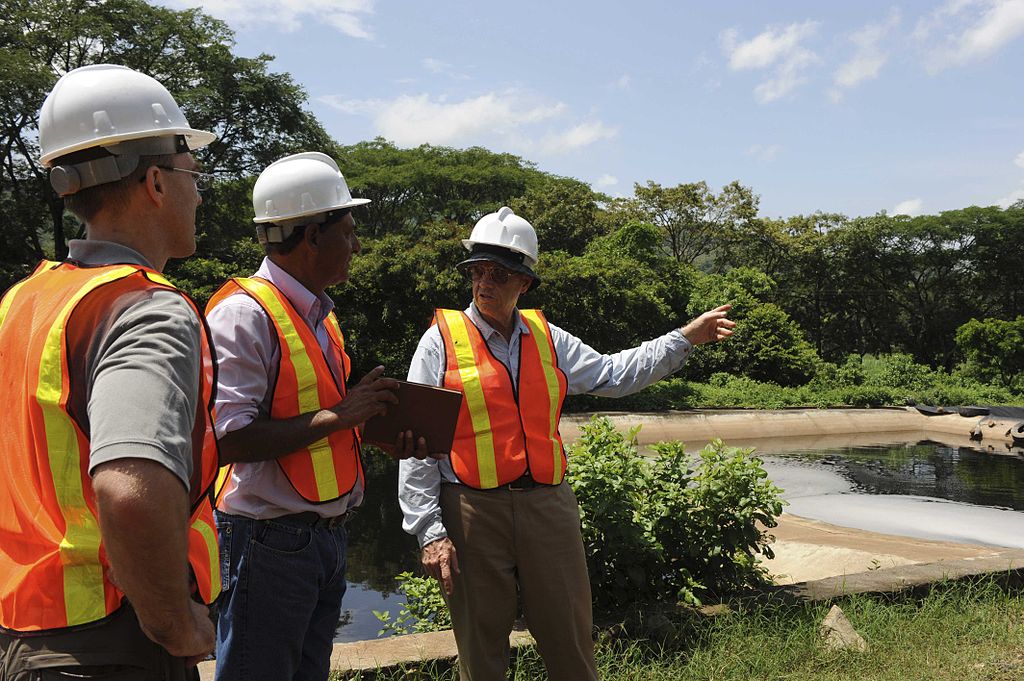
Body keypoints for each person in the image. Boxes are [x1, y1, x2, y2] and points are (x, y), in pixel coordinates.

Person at [398, 207, 735, 681]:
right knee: (481, 649)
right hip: (472, 509)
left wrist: (684, 339)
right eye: (477, 271)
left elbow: (614, 375)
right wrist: (429, 531)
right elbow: (420, 444)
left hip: (548, 507)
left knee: (571, 643)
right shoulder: (440, 341)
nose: (484, 283)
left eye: (498, 273)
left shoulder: (548, 338)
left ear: (525, 282)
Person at [0, 64, 221, 680]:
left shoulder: (24, 301)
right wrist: (174, 623)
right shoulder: (145, 310)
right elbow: (129, 491)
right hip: (111, 646)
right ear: (155, 181)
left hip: (25, 634)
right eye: (191, 175)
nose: (198, 194)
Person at [206, 152, 433, 681]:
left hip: (323, 538)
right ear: (311, 237)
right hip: (266, 541)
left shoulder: (318, 314)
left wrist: (370, 428)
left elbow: (313, 422)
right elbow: (228, 439)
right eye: (349, 231)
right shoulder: (244, 314)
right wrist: (341, 414)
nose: (356, 245)